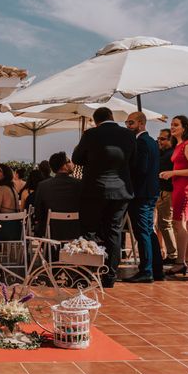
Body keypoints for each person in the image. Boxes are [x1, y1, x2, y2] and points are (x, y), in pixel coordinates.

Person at [72, 107, 136, 288]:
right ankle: (110, 276)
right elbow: (133, 161)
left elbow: (77, 158)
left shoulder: (90, 134)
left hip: (95, 190)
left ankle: (87, 273)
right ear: (111, 117)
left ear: (95, 120)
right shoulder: (129, 135)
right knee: (113, 232)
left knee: (89, 231)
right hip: (121, 191)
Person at [124, 112, 164, 283]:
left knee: (142, 233)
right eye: (126, 123)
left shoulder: (141, 142)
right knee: (149, 231)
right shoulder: (152, 142)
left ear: (141, 123)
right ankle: (157, 270)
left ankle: (146, 271)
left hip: (141, 194)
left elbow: (141, 169)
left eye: (131, 123)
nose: (128, 126)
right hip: (150, 192)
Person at [160, 115, 188, 275]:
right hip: (178, 187)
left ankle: (180, 262)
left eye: (176, 125)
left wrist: (173, 172)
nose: (172, 127)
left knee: (179, 224)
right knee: (184, 225)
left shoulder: (187, 145)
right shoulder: (179, 145)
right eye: (171, 125)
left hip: (184, 188)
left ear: (184, 128)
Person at [33, 152, 82, 240]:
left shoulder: (43, 185)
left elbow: (38, 212)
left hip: (51, 232)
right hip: (75, 232)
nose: (72, 163)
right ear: (64, 166)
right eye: (69, 161)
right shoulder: (80, 184)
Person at [156, 128, 178, 264]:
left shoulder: (170, 155)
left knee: (166, 223)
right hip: (163, 192)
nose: (160, 141)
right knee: (164, 224)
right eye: (159, 138)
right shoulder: (164, 153)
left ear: (171, 140)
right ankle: (172, 253)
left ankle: (173, 255)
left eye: (163, 139)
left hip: (168, 192)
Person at [0, 164, 22, 241]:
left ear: (5, 175)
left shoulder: (0, 188)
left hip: (4, 229)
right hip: (17, 229)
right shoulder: (12, 188)